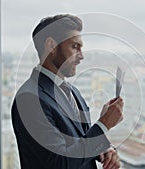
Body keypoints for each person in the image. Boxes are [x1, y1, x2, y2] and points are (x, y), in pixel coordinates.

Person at [11, 14, 124, 169]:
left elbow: (79, 142)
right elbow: (60, 163)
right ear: (51, 45)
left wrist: (105, 149)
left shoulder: (73, 92)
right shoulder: (29, 99)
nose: (82, 56)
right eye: (75, 47)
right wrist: (103, 125)